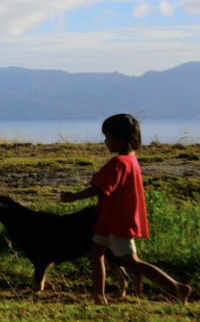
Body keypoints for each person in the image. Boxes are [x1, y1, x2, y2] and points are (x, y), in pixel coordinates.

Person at [60, 114, 190, 305]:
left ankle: (177, 287)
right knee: (96, 252)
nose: (105, 141)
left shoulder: (119, 163)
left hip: (117, 222)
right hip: (108, 220)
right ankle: (98, 295)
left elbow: (100, 188)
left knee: (131, 261)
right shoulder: (131, 160)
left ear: (120, 138)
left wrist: (73, 197)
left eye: (108, 137)